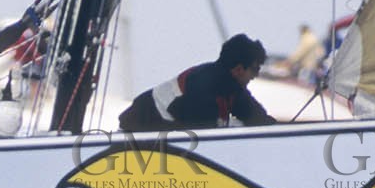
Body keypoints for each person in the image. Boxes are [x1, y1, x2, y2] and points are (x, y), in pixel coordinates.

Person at [118, 34, 276, 132]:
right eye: (255, 70)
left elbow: (256, 118)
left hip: (164, 132)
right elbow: (204, 140)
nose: (256, 76)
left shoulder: (234, 88)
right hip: (138, 129)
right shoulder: (202, 88)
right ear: (239, 69)